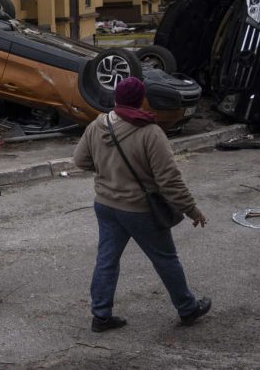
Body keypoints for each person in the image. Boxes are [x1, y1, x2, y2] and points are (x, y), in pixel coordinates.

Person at [73, 76, 210, 333]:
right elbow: (169, 180)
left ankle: (101, 316)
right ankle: (188, 308)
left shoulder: (97, 124)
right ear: (141, 100)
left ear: (116, 99)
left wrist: (106, 170)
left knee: (107, 260)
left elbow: (80, 160)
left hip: (105, 205)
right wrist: (193, 210)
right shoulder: (149, 131)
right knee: (165, 258)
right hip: (139, 209)